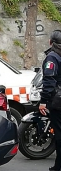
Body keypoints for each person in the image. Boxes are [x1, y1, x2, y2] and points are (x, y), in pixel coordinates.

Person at [38, 30, 61, 171]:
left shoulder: (52, 57)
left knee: (59, 136)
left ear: (50, 42)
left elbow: (49, 82)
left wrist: (43, 101)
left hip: (58, 103)